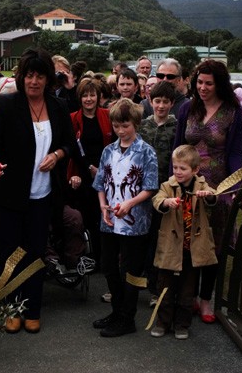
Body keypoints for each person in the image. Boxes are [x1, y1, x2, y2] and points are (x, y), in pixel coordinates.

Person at [0, 48, 73, 334]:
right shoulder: (8, 105)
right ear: (22, 78)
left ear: (48, 79)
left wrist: (57, 155)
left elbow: (70, 144)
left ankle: (32, 308)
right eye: (29, 75)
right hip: (9, 195)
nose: (34, 81)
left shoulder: (57, 107)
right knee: (11, 255)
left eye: (40, 76)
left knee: (35, 255)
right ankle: (12, 307)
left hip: (42, 196)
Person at [173, 59, 242, 323]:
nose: (202, 88)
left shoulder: (233, 112)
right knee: (189, 243)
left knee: (213, 247)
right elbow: (177, 146)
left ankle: (206, 299)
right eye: (199, 82)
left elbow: (235, 154)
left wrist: (236, 187)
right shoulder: (186, 109)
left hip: (218, 188)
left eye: (209, 83)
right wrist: (174, 180)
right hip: (188, 187)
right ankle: (189, 295)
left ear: (220, 84)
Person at [91, 97, 158, 337]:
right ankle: (117, 310)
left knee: (129, 271)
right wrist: (102, 205)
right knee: (108, 267)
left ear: (136, 124)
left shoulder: (146, 152)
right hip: (109, 220)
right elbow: (100, 183)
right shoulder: (108, 150)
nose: (121, 131)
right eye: (117, 126)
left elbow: (151, 187)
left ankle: (127, 318)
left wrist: (130, 203)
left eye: (126, 126)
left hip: (134, 222)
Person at [150, 145, 217, 340]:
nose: (178, 172)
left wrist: (208, 195)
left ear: (195, 170)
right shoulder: (167, 186)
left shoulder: (202, 185)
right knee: (166, 289)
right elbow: (157, 199)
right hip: (171, 248)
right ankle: (163, 322)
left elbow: (214, 195)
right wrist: (165, 202)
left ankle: (182, 324)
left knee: (188, 291)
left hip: (191, 250)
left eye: (183, 168)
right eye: (175, 167)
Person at [138, 81, 178, 308]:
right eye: (157, 101)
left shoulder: (176, 127)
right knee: (139, 238)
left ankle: (155, 288)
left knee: (157, 239)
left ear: (172, 103)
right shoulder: (143, 126)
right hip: (142, 189)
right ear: (150, 101)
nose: (160, 106)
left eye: (165, 102)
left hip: (164, 190)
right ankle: (134, 283)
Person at [67, 78, 115, 264]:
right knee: (87, 216)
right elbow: (73, 148)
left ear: (98, 97)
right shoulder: (73, 119)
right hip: (83, 172)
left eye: (92, 95)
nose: (89, 99)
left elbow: (113, 146)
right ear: (79, 98)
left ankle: (105, 258)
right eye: (85, 95)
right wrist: (88, 168)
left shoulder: (107, 115)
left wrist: (101, 170)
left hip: (106, 172)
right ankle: (89, 257)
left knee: (104, 215)